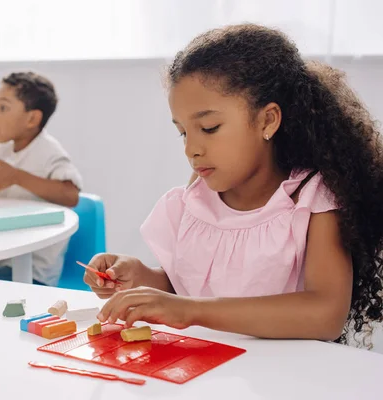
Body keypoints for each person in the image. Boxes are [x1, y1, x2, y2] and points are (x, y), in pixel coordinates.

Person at [85, 24, 383, 348]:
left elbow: (325, 314)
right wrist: (142, 278)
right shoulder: (202, 189)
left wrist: (190, 311)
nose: (191, 149)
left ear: (267, 120)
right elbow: (187, 288)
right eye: (183, 132)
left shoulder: (312, 199)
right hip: (202, 370)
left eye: (209, 128)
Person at [0, 71, 83, 286]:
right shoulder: (3, 151)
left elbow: (70, 195)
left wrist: (17, 177)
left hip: (30, 271)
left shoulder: (50, 153)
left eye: (3, 108)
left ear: (32, 118)